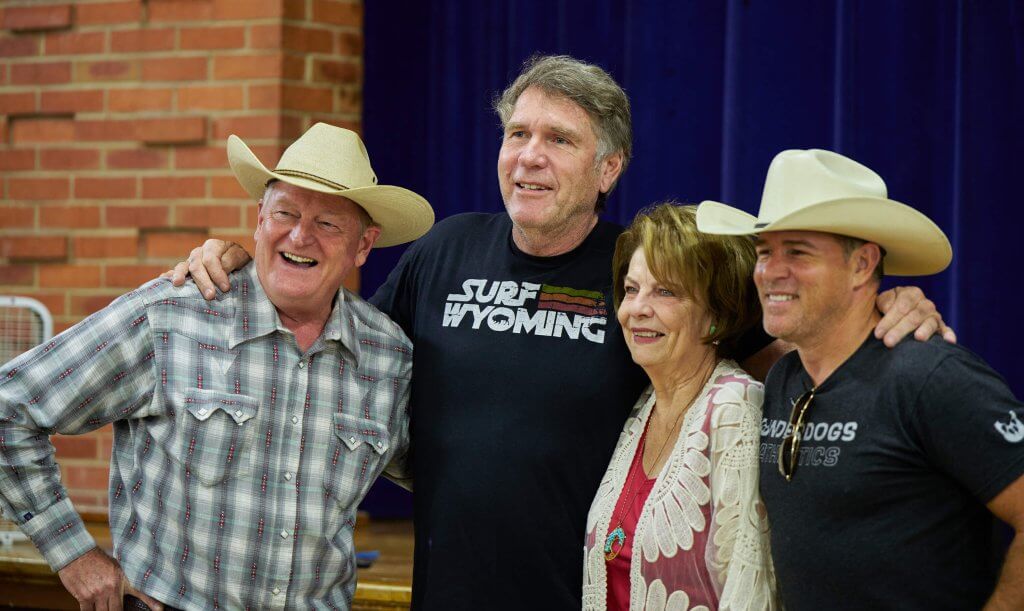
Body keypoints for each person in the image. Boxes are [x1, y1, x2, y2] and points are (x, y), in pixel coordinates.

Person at [171, 56, 949, 609]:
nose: (529, 156)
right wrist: (242, 262)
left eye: (559, 139)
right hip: (443, 593)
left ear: (609, 168)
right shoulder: (445, 247)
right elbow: (328, 345)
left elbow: (791, 349)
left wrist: (876, 311)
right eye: (518, 133)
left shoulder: (643, 269)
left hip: (588, 595)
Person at [0, 123, 434, 610]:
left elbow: (446, 471)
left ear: (363, 245)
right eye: (284, 213)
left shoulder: (387, 356)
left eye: (328, 223)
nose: (299, 235)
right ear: (259, 219)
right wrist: (74, 556)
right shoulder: (170, 315)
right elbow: (9, 409)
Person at [697, 148, 1024, 610]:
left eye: (798, 252)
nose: (771, 271)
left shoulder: (930, 378)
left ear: (862, 265)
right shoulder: (783, 377)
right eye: (765, 252)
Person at [583, 203, 776, 610]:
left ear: (717, 314)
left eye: (665, 292)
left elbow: (749, 586)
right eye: (632, 289)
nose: (636, 308)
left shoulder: (735, 408)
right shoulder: (643, 407)